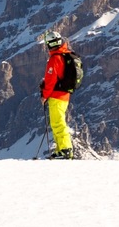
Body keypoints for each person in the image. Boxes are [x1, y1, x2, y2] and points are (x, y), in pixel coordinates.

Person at [40, 31, 74, 160]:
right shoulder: (65, 55)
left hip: (56, 96)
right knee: (56, 122)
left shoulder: (55, 58)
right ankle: (61, 150)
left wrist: (44, 95)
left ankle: (65, 149)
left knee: (58, 123)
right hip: (64, 95)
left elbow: (50, 80)